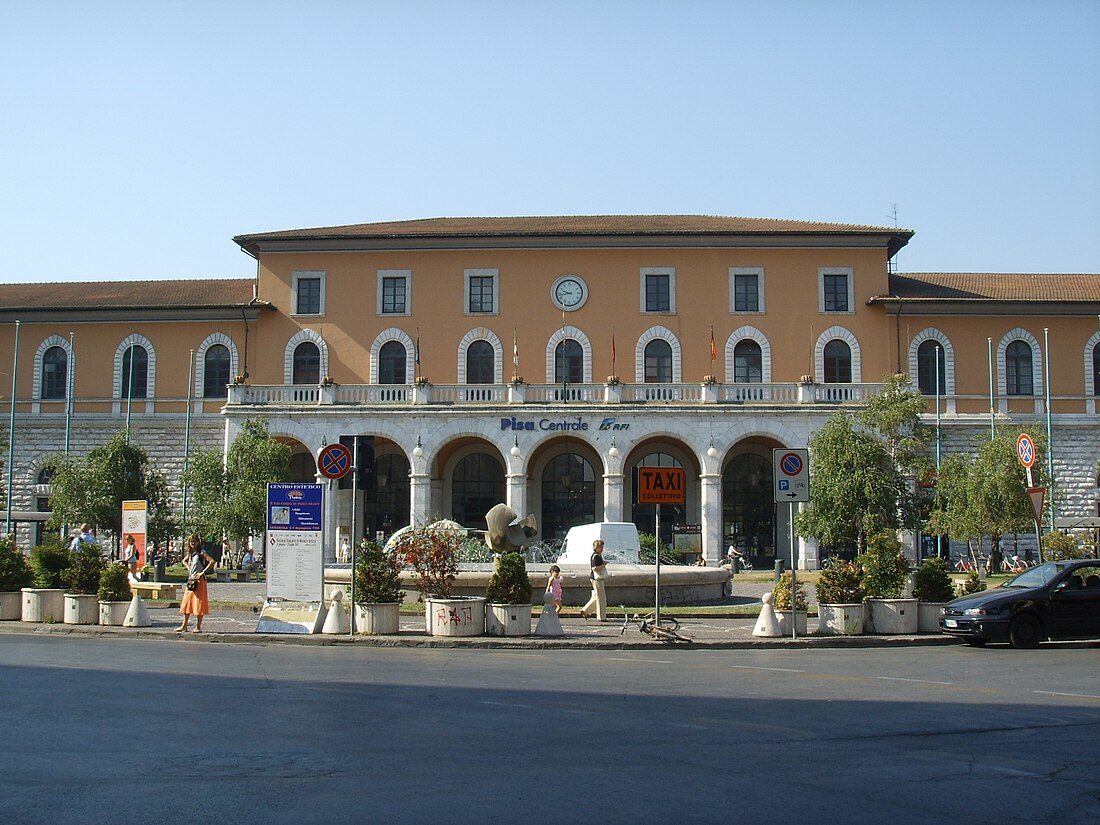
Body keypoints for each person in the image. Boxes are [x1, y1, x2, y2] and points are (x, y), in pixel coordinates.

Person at [176, 534, 215, 633]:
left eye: (194, 541)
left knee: (199, 603)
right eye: (191, 541)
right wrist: (188, 568)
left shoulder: (201, 553)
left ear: (198, 542)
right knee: (187, 602)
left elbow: (212, 561)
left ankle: (198, 626)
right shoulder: (190, 553)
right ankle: (184, 625)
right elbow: (184, 561)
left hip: (199, 581)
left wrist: (203, 572)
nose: (193, 543)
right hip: (191, 580)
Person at [580, 539, 608, 621]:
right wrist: (604, 564)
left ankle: (585, 610)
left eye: (602, 546)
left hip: (595, 579)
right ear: (596, 547)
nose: (602, 548)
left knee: (597, 597)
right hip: (597, 579)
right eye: (600, 547)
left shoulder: (596, 555)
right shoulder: (596, 556)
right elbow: (594, 568)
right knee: (601, 598)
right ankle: (601, 617)